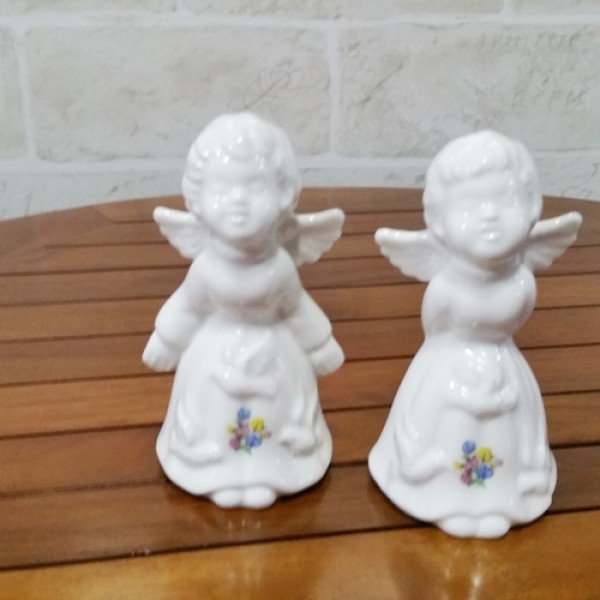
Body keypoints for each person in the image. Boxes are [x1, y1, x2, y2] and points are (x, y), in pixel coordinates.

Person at [369, 130, 582, 537]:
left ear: (532, 208)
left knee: (509, 431)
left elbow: (517, 320)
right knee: (445, 425)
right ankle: (435, 487)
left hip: (504, 366)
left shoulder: (521, 281)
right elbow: (434, 331)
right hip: (448, 369)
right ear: (439, 223)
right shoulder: (446, 286)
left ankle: (510, 487)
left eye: (504, 201)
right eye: (469, 206)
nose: (489, 216)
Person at [143, 112, 344, 509]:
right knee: (213, 412)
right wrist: (165, 341)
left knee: (276, 417)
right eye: (221, 189)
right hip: (213, 360)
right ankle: (212, 467)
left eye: (254, 187)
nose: (238, 201)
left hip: (275, 358)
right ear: (197, 201)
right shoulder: (206, 267)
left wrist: (321, 346)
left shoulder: (280, 267)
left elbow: (296, 309)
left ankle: (273, 469)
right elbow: (188, 306)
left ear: (283, 196)